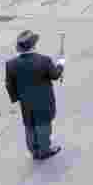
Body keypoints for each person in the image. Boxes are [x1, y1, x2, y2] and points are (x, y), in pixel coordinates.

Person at [5, 29, 64, 160]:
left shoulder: (11, 64)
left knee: (29, 125)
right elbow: (55, 75)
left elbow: (9, 85)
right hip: (43, 100)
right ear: (33, 46)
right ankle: (44, 151)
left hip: (25, 101)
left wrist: (16, 98)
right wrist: (60, 65)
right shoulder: (44, 60)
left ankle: (33, 150)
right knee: (43, 125)